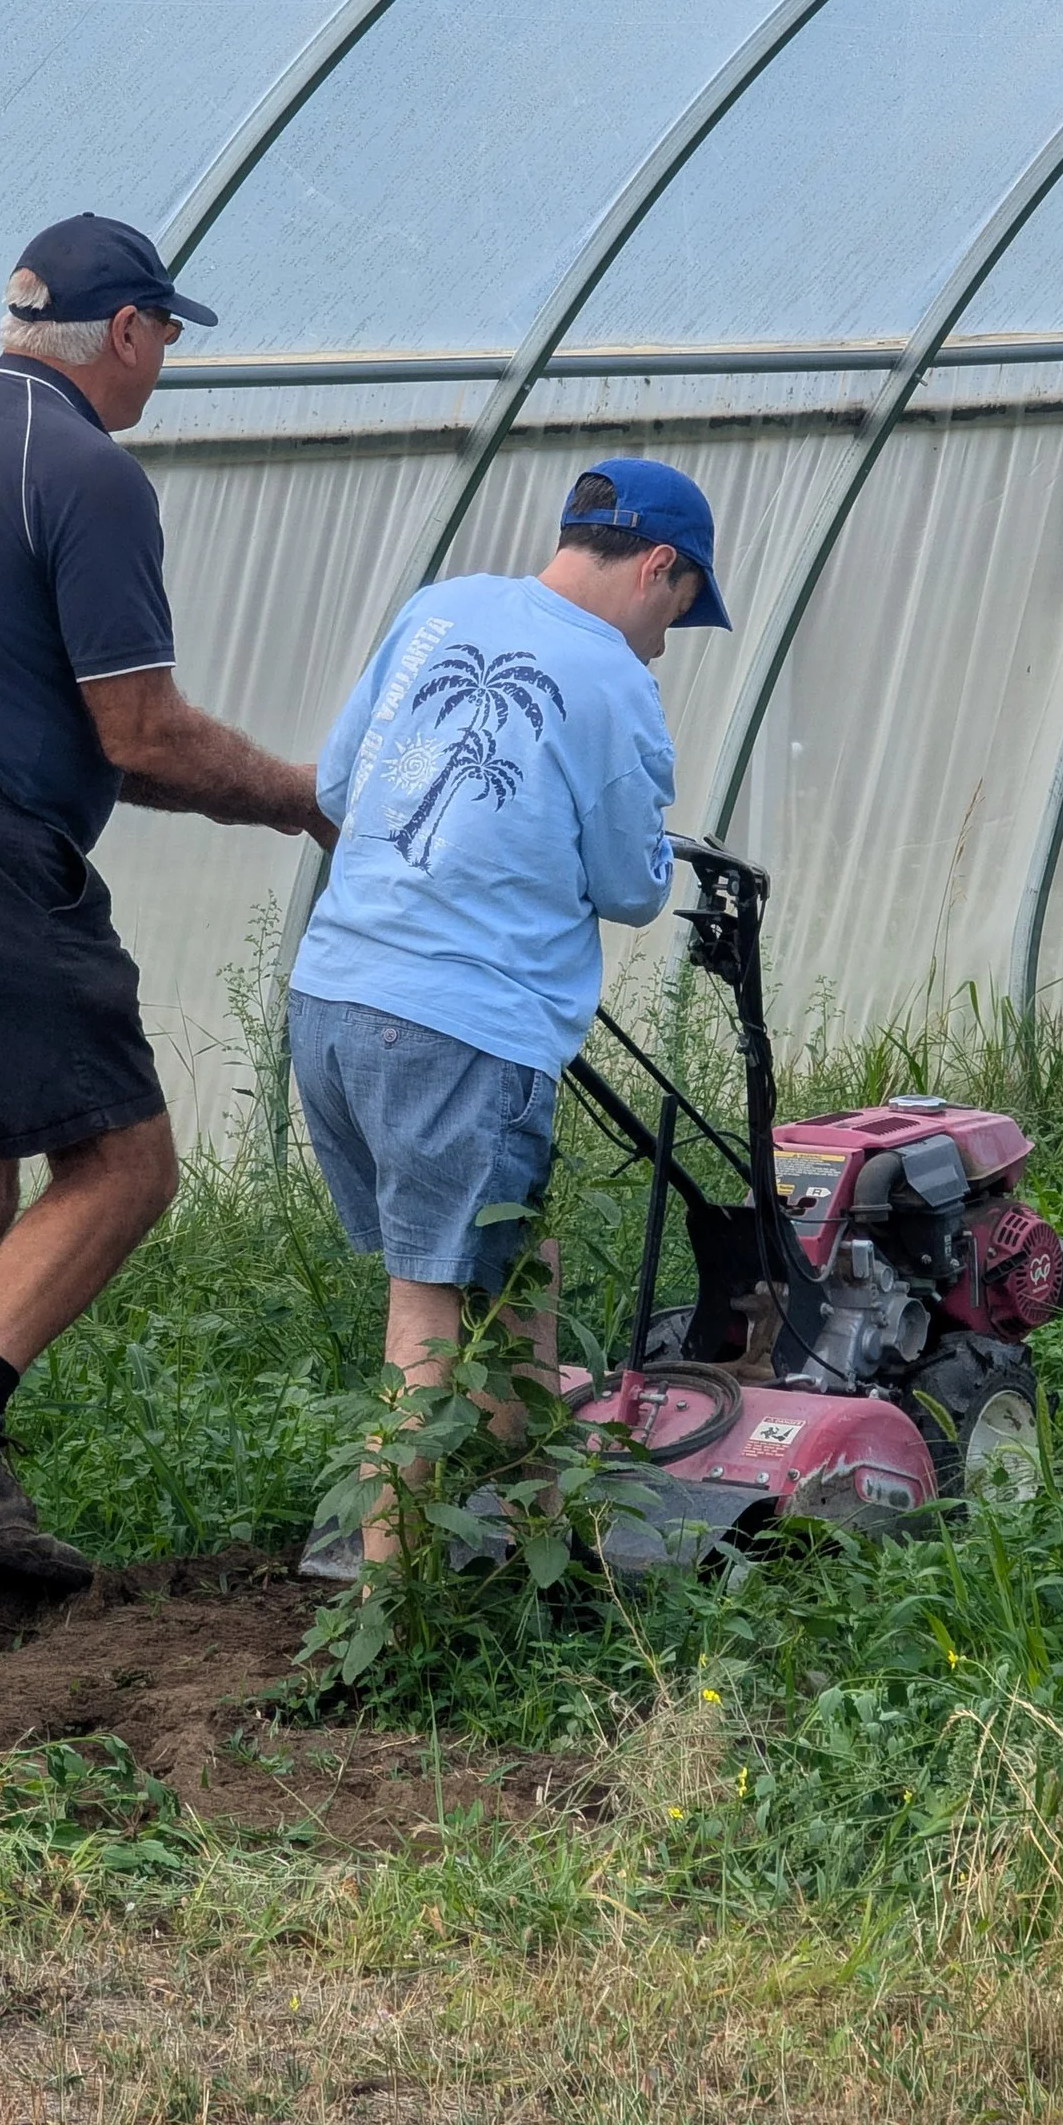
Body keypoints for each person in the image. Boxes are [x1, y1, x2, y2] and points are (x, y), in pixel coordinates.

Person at [0, 213, 332, 1587]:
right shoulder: (87, 473)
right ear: (131, 331)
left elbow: (46, 710)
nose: (163, 371)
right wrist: (297, 797)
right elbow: (140, 733)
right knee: (124, 1164)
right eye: (164, 341)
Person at [287, 459, 730, 1568]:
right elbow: (631, 887)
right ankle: (384, 1594)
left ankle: (538, 1510)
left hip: (332, 1000)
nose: (666, 640)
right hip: (455, 1030)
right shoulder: (614, 676)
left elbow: (338, 790)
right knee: (429, 1299)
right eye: (676, 610)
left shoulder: (437, 608)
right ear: (658, 566)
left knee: (516, 1258)